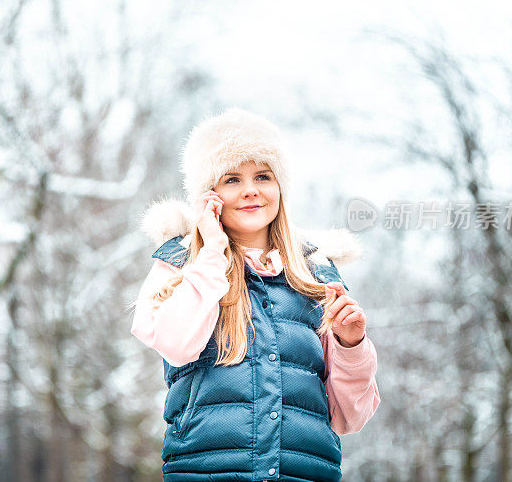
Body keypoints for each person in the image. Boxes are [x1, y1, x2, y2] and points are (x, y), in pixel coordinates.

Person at [128, 108, 380, 481]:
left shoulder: (317, 278)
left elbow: (350, 415)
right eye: (232, 179)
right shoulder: (180, 264)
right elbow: (175, 343)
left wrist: (351, 344)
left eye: (263, 176)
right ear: (209, 196)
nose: (250, 190)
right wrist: (212, 250)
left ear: (280, 187)